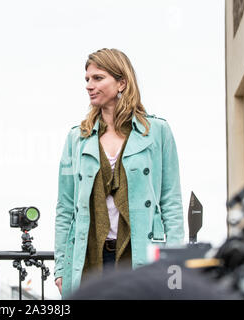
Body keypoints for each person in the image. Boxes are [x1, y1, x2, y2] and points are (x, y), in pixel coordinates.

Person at [54, 48, 184, 298]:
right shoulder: (77, 138)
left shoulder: (157, 131)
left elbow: (171, 202)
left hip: (141, 253)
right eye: (87, 79)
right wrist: (61, 267)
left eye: (98, 78)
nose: (89, 85)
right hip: (90, 256)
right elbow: (65, 207)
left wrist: (175, 264)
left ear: (122, 82)